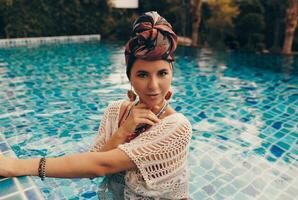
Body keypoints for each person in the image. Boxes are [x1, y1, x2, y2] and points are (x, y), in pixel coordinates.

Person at [0, 11, 192, 200]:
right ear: (130, 78)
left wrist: (18, 166)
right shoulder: (116, 112)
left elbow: (101, 165)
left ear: (171, 73)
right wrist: (123, 131)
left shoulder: (177, 127)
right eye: (142, 74)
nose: (153, 85)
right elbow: (92, 166)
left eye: (162, 73)